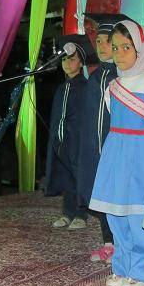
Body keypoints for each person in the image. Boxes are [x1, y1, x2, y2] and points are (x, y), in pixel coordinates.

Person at [89, 20, 144, 286]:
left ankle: (142, 270)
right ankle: (121, 266)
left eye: (126, 47)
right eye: (116, 47)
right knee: (116, 212)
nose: (119, 53)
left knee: (139, 213)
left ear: (141, 49)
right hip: (117, 154)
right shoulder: (113, 85)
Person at [78, 14, 124, 261]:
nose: (103, 46)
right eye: (99, 41)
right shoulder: (95, 77)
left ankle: (123, 243)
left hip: (117, 149)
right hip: (95, 150)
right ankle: (108, 242)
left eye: (109, 42)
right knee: (101, 194)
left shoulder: (123, 76)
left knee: (119, 196)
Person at [45, 35, 94, 230]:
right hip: (62, 140)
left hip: (78, 141)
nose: (67, 63)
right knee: (65, 175)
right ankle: (67, 212)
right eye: (64, 59)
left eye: (72, 59)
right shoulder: (61, 88)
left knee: (79, 175)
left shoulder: (86, 87)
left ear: (81, 63)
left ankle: (81, 214)